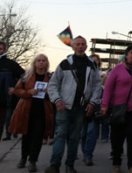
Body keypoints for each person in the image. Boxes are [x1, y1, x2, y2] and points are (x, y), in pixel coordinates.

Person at [45, 36, 101, 173]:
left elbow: (97, 86)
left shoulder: (91, 65)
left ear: (86, 47)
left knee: (75, 138)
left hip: (81, 108)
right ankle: (54, 165)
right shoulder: (64, 64)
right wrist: (57, 100)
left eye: (83, 44)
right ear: (73, 47)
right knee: (60, 136)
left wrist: (93, 102)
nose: (80, 46)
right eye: (78, 44)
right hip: (64, 107)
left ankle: (70, 165)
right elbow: (52, 84)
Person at [101, 45, 132, 173]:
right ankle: (116, 163)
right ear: (126, 55)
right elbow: (108, 88)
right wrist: (105, 105)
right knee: (117, 138)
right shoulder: (117, 69)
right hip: (118, 109)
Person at [10, 53, 54, 172]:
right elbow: (17, 90)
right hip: (26, 111)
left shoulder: (51, 77)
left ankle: (33, 161)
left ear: (47, 63)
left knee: (38, 137)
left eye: (43, 60)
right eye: (38, 60)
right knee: (26, 136)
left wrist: (49, 91)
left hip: (42, 112)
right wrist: (29, 92)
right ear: (34, 63)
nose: (41, 62)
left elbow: (56, 94)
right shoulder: (26, 76)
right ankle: (23, 158)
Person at [80, 54, 102, 166]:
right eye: (91, 60)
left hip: (95, 106)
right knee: (83, 132)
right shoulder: (83, 72)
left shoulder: (102, 74)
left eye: (96, 60)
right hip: (82, 105)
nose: (94, 62)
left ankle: (88, 155)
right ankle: (84, 152)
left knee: (92, 132)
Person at [0, 41, 25, 140]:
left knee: (8, 115)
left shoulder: (11, 64)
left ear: (5, 50)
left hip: (8, 97)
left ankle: (9, 133)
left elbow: (24, 75)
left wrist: (16, 88)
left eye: (1, 48)